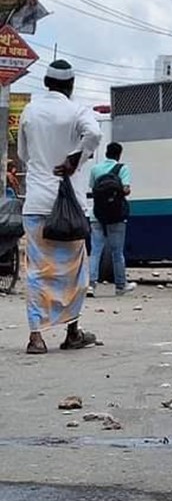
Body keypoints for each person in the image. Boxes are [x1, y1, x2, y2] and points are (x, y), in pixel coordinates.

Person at [18, 60, 103, 355]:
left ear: (46, 83)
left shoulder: (30, 111)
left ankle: (36, 338)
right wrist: (74, 158)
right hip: (70, 206)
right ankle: (72, 332)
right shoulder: (77, 111)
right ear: (71, 85)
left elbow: (23, 153)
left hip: (37, 203)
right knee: (74, 272)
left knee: (37, 272)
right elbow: (94, 134)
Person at [87, 142, 135, 297]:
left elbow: (93, 189)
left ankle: (91, 285)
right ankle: (120, 285)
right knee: (117, 252)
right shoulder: (123, 169)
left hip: (97, 215)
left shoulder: (95, 169)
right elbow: (126, 189)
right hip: (116, 216)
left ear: (106, 153)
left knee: (95, 251)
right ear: (119, 154)